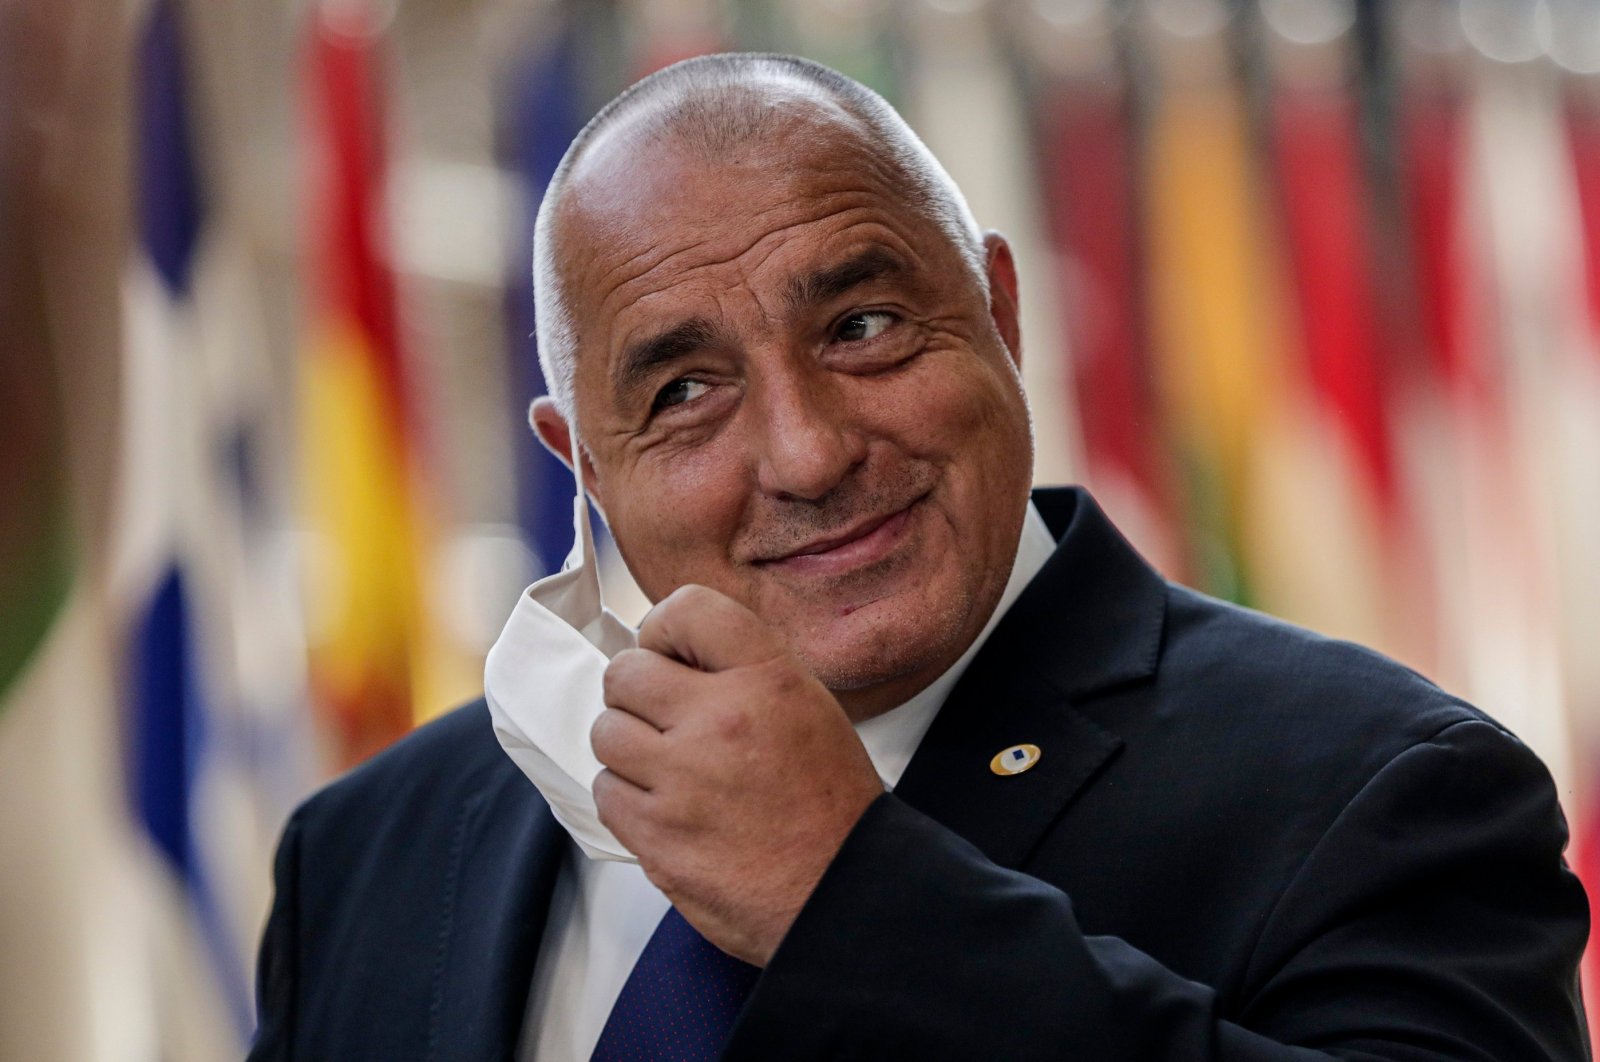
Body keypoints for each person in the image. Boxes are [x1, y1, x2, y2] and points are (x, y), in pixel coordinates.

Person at [247, 53, 1590, 1061]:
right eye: (683, 392)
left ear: (1000, 313)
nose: (808, 451)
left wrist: (853, 897)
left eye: (867, 322)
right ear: (581, 461)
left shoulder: (1392, 793)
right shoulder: (369, 850)